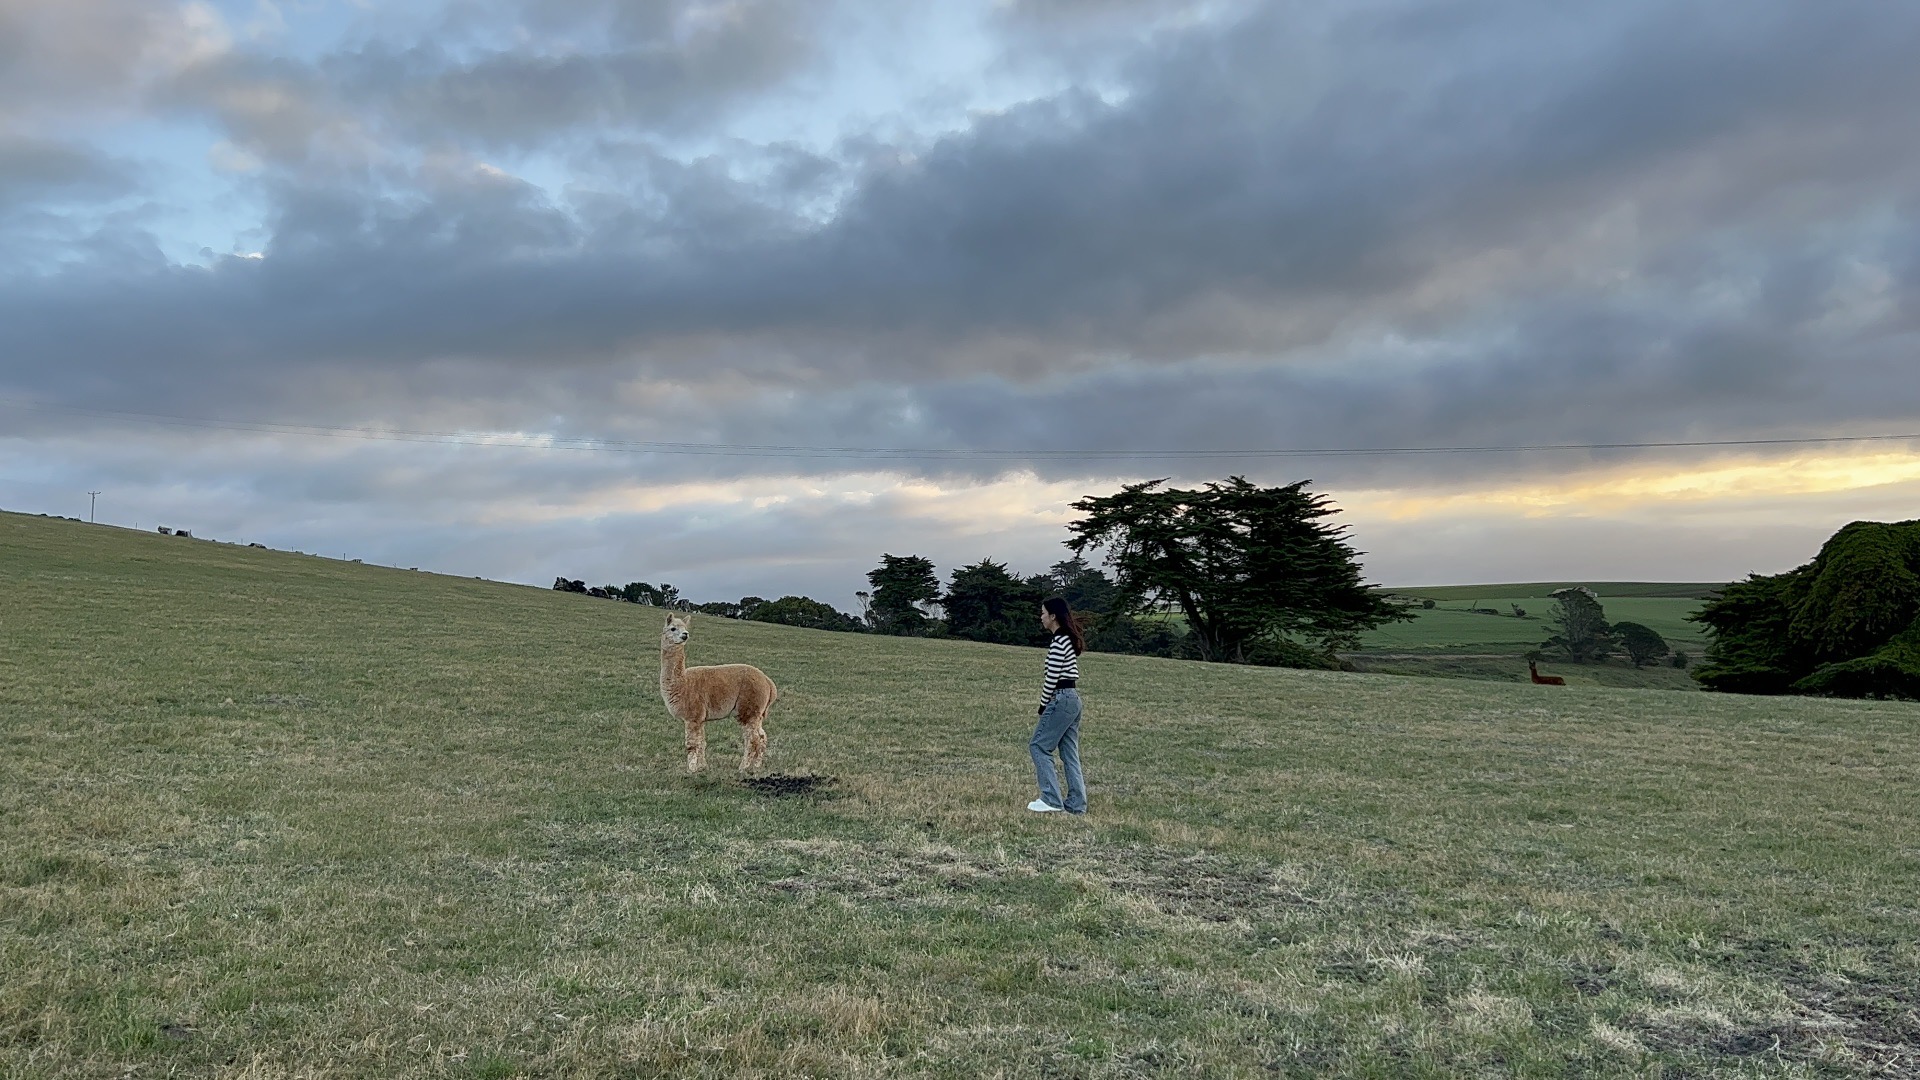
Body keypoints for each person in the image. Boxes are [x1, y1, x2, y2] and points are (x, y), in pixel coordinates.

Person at [1027, 596, 1086, 814]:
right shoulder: (1067, 639)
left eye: (1043, 613)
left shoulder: (1059, 641)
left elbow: (1051, 678)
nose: (1041, 617)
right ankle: (1076, 805)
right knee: (1069, 753)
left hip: (1060, 698)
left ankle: (1051, 799)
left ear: (1053, 616)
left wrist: (1043, 706)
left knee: (1038, 746)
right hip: (1073, 699)